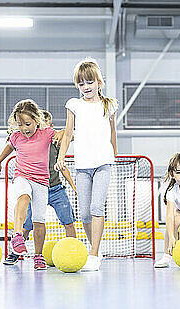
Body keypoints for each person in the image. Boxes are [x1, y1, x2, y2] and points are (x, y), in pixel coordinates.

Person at [55, 57, 117, 271]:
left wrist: (114, 154)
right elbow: (68, 133)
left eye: (89, 82)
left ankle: (93, 254)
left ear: (99, 82)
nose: (85, 87)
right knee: (83, 213)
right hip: (82, 165)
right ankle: (96, 249)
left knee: (97, 207)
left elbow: (112, 133)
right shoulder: (74, 105)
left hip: (103, 163)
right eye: (81, 83)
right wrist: (61, 156)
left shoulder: (108, 105)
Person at [3, 110, 77, 265]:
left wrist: (74, 186)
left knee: (68, 220)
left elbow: (69, 142)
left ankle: (72, 250)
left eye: (47, 123)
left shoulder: (55, 142)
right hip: (35, 188)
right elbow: (12, 141)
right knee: (28, 224)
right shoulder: (27, 140)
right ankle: (15, 252)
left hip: (56, 189)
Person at [0, 99, 55, 271]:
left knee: (39, 220)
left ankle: (38, 256)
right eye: (20, 125)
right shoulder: (16, 137)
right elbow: (9, 148)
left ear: (37, 120)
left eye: (27, 124)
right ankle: (18, 234)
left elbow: (63, 136)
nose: (24, 128)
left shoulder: (47, 133)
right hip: (22, 176)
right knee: (23, 196)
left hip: (42, 181)